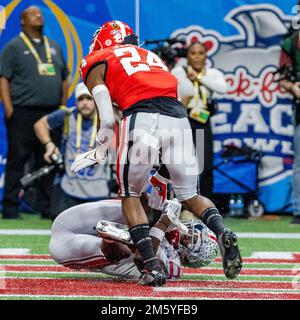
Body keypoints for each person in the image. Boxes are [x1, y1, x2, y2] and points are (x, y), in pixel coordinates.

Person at [71, 20, 242, 286]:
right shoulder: (152, 57)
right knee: (190, 195)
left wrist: (100, 149)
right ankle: (222, 231)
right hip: (180, 120)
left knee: (130, 193)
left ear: (103, 40)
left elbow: (106, 119)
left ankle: (150, 265)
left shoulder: (95, 59)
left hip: (142, 119)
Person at [49, 187, 218, 283]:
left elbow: (144, 255)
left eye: (191, 241)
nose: (186, 235)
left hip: (71, 246)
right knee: (147, 210)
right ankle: (128, 234)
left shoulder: (174, 266)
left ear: (188, 256)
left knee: (140, 255)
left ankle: (114, 239)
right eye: (193, 233)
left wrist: (163, 221)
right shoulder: (171, 218)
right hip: (75, 219)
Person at [0, 6, 69, 219]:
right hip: (22, 113)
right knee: (17, 160)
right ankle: (10, 207)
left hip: (50, 115)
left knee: (48, 162)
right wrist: (10, 109)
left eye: (40, 13)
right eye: (33, 14)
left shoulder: (55, 47)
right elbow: (3, 78)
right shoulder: (13, 47)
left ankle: (46, 206)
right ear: (22, 21)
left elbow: (64, 78)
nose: (39, 15)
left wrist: (62, 107)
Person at [34, 82, 112, 220]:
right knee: (60, 223)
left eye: (89, 98)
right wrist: (49, 144)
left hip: (98, 186)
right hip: (69, 185)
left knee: (98, 231)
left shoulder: (106, 119)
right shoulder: (66, 115)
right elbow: (40, 124)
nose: (85, 103)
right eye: (80, 99)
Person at [172, 41, 227, 198]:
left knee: (204, 165)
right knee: (182, 164)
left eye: (200, 53)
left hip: (202, 121)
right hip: (184, 121)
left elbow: (223, 88)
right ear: (187, 56)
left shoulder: (212, 74)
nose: (197, 57)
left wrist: (199, 77)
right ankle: (181, 204)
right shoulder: (179, 72)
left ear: (206, 56)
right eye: (193, 53)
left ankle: (206, 206)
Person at [279, 29, 300, 224]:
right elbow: (283, 79)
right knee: (299, 162)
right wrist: (293, 87)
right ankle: (298, 210)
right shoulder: (291, 42)